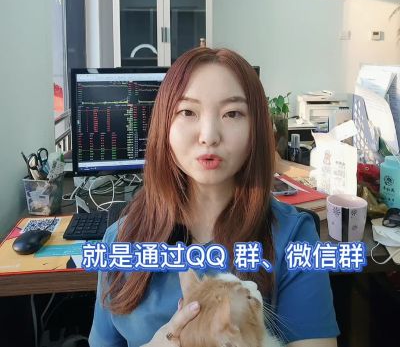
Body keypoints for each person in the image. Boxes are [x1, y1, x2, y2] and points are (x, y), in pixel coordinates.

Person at [89, 47, 339, 347]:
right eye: (188, 112)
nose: (208, 135)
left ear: (256, 129)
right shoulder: (120, 240)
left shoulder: (293, 237)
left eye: (232, 113)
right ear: (164, 125)